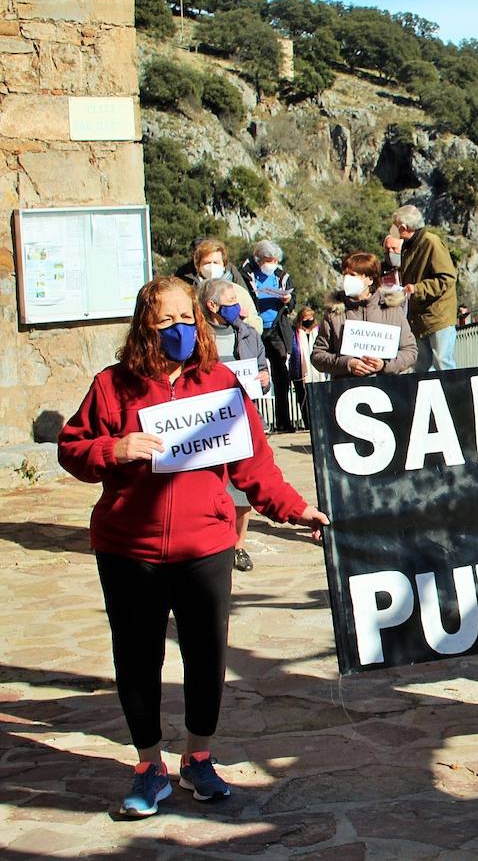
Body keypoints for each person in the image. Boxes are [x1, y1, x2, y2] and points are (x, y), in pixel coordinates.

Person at [57, 276, 328, 817]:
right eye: (165, 321)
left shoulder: (221, 382)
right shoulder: (113, 385)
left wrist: (294, 508)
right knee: (138, 659)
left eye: (187, 319)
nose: (178, 329)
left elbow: (253, 464)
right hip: (127, 548)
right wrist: (116, 448)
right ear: (144, 327)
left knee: (207, 656)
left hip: (205, 545)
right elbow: (73, 449)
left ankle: (198, 757)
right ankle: (149, 765)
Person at [197, 278, 271, 573]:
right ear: (212, 306)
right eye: (230, 302)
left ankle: (238, 545)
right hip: (207, 424)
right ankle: (215, 543)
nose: (237, 307)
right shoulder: (198, 337)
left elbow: (261, 369)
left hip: (242, 421)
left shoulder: (248, 333)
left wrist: (263, 379)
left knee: (242, 489)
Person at [311, 252, 419, 377]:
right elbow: (318, 356)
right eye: (345, 274)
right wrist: (347, 364)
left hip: (385, 388)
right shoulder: (333, 313)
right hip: (346, 389)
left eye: (352, 275)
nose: (346, 279)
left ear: (370, 279)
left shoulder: (392, 310)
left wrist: (384, 365)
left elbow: (410, 352)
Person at [392, 205, 458, 372]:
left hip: (438, 316)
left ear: (403, 227)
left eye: (395, 225)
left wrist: (417, 289)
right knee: (421, 368)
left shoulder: (431, 243)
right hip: (419, 318)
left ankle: (454, 396)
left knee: (443, 363)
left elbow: (447, 278)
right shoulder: (409, 246)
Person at [242, 240, 296, 432]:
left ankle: (284, 420)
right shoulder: (246, 275)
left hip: (276, 329)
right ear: (258, 258)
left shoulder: (282, 276)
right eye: (267, 260)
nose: (271, 264)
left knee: (281, 373)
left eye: (274, 260)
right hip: (253, 329)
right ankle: (255, 423)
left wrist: (288, 301)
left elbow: (292, 302)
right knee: (253, 374)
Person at [174, 237, 262, 334]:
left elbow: (257, 327)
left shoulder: (238, 292)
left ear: (224, 265)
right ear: (198, 266)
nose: (212, 266)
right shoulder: (189, 293)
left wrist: (242, 320)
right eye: (207, 263)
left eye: (216, 262)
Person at [289, 305, 326, 428]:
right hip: (301, 372)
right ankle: (308, 424)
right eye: (305, 317)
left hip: (318, 373)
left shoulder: (319, 330)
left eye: (311, 317)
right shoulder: (294, 333)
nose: (308, 320)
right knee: (304, 400)